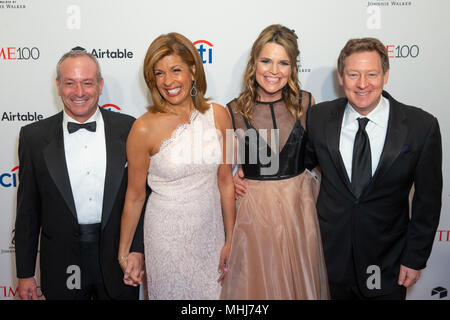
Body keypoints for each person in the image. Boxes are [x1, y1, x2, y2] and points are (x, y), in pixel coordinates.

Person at [304, 38, 442, 299]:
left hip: (387, 261)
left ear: (386, 75)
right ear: (341, 77)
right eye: (354, 74)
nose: (362, 84)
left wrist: (415, 258)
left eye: (371, 74)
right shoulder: (319, 117)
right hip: (329, 259)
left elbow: (428, 201)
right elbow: (299, 164)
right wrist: (248, 171)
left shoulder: (420, 126)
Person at [15, 49, 145, 300]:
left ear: (100, 85)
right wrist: (25, 273)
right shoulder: (33, 137)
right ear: (58, 85)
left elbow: (142, 196)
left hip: (119, 258)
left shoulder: (129, 128)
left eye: (87, 82)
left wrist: (137, 250)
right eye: (70, 83)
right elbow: (28, 211)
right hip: (61, 261)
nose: (79, 92)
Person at [118, 32, 236, 300]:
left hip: (211, 234)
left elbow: (225, 181)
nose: (168, 81)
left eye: (175, 70)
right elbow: (135, 196)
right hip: (165, 240)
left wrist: (231, 239)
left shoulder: (219, 116)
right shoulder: (143, 128)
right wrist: (124, 252)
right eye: (159, 73)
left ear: (193, 71)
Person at [220, 24, 329, 300]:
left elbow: (318, 159)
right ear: (254, 63)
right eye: (266, 60)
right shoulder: (233, 110)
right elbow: (222, 172)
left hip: (299, 212)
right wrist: (234, 176)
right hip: (254, 217)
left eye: (283, 63)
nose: (273, 70)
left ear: (292, 68)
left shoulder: (306, 103)